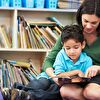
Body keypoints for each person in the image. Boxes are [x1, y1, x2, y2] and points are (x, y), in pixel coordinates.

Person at [42, 0, 100, 99]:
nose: (89, 26)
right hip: (77, 78)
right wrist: (55, 76)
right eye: (85, 21)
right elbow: (49, 61)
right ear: (80, 16)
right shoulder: (71, 32)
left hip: (97, 78)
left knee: (91, 93)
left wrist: (99, 68)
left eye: (94, 23)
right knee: (65, 91)